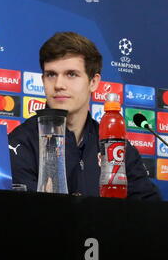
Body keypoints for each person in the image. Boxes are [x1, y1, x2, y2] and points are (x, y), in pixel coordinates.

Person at [8, 32, 160, 200]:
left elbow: (150, 210)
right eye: (51, 75)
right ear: (43, 80)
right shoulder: (20, 142)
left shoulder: (116, 147)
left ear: (93, 82)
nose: (59, 85)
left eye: (71, 74)